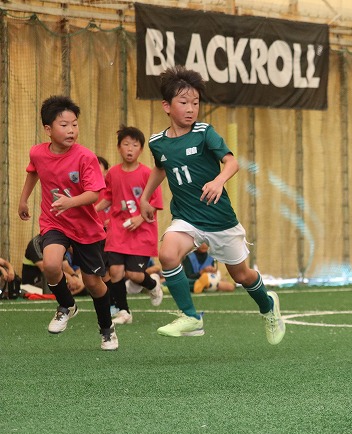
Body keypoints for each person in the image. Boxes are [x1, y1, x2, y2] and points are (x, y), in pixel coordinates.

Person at [139, 65, 285, 342]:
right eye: (184, 103)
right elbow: (161, 168)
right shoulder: (157, 142)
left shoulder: (205, 132)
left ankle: (268, 307)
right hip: (186, 218)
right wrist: (145, 197)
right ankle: (191, 317)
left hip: (219, 220)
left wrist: (219, 181)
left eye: (195, 103)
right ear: (166, 106)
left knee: (241, 275)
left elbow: (232, 162)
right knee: (167, 255)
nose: (191, 109)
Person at [17, 95, 118, 350]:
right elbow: (33, 172)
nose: (71, 130)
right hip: (55, 222)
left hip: (86, 229)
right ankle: (66, 305)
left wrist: (70, 202)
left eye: (74, 124)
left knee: (93, 283)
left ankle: (107, 329)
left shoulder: (85, 157)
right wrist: (23, 200)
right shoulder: (37, 153)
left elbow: (94, 194)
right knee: (51, 264)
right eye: (64, 125)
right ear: (48, 129)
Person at [94, 125, 164, 326]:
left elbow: (156, 203)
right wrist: (93, 210)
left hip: (142, 231)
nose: (130, 148)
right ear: (119, 148)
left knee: (134, 275)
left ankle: (153, 284)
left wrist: (140, 218)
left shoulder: (148, 174)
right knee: (115, 271)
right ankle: (124, 311)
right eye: (126, 144)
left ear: (141, 149)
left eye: (135, 145)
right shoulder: (113, 173)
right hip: (118, 230)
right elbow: (108, 197)